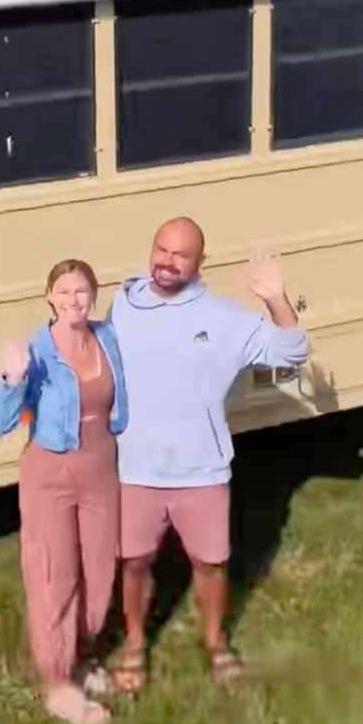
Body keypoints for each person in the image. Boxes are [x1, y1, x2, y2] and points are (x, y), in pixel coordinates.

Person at [107, 217, 310, 692]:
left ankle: (217, 643)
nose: (167, 262)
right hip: (136, 469)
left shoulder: (224, 320)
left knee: (211, 565)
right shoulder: (123, 304)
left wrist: (276, 298)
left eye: (180, 255)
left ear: (201, 263)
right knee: (133, 563)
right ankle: (135, 644)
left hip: (203, 472)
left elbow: (292, 353)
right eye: (161, 249)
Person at [0, 259, 131, 724]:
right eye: (64, 292)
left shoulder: (107, 338)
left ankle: (84, 658)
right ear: (49, 296)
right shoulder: (36, 348)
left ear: (94, 295)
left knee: (97, 569)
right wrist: (14, 380)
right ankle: (58, 684)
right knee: (56, 574)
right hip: (50, 472)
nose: (74, 300)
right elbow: (1, 422)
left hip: (100, 464)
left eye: (82, 291)